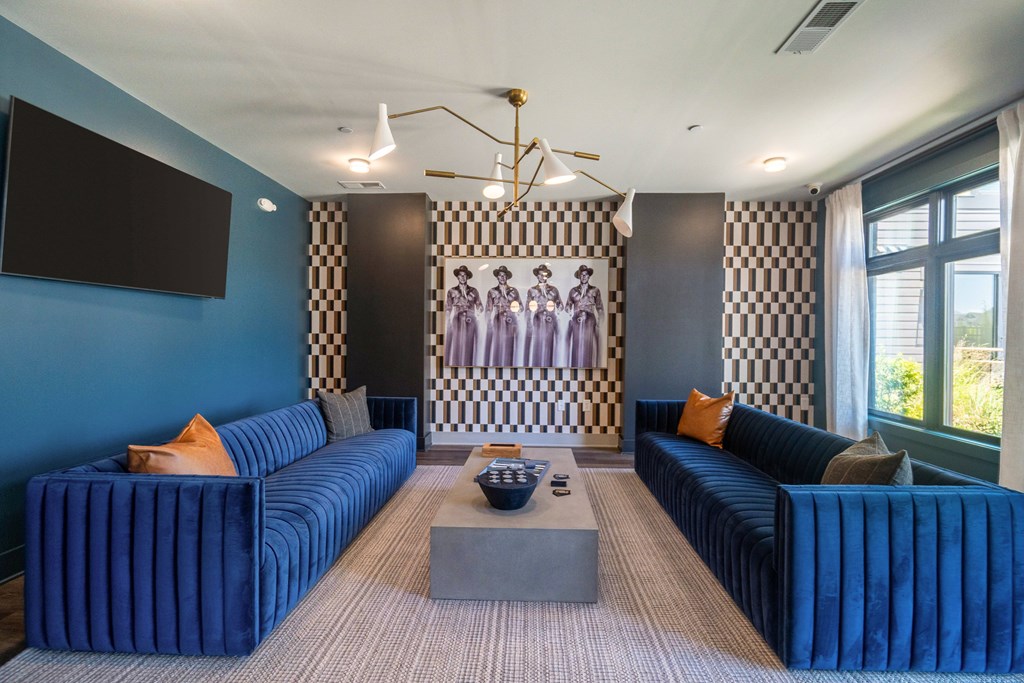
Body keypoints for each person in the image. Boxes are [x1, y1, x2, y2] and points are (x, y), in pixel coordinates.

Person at [565, 264, 604, 368]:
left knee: (589, 347)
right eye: (581, 275)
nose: (584, 277)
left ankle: (589, 369)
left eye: (586, 275)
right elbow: (567, 307)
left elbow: (600, 308)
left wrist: (600, 323)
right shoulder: (573, 291)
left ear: (589, 276)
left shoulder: (595, 290)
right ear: (579, 276)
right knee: (576, 347)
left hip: (590, 320)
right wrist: (569, 314)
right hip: (576, 321)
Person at [524, 264, 563, 366]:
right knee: (537, 345)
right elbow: (527, 309)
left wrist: (557, 311)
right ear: (537, 276)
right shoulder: (532, 290)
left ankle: (548, 367)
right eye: (540, 275)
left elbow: (561, 306)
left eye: (544, 275)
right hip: (538, 320)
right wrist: (528, 323)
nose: (542, 277)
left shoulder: (554, 290)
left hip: (551, 320)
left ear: (547, 276)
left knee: (549, 346)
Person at [444, 264, 483, 366]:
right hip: (457, 318)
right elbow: (448, 308)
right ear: (457, 277)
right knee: (456, 345)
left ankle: (468, 366)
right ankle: (455, 366)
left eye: (464, 275)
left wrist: (478, 313)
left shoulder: (473, 291)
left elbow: (480, 306)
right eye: (460, 275)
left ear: (468, 277)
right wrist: (447, 322)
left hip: (470, 318)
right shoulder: (452, 291)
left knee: (469, 345)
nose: (462, 277)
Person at [484, 265, 522, 366]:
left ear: (507, 277)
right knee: (498, 345)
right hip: (498, 319)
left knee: (509, 345)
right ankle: (496, 367)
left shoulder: (514, 291)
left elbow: (520, 307)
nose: (502, 278)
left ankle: (509, 367)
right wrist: (488, 323)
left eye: (504, 276)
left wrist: (515, 309)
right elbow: (488, 309)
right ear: (497, 277)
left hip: (511, 320)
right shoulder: (492, 291)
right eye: (500, 275)